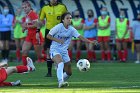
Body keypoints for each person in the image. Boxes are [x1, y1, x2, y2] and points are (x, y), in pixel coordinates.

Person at [47, 12, 97, 88]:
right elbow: (48, 36)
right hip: (55, 49)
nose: (69, 19)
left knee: (69, 72)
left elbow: (80, 37)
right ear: (63, 20)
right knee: (60, 63)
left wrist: (91, 41)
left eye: (70, 18)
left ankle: (61, 80)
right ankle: (61, 82)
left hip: (64, 51)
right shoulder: (58, 27)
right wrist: (58, 40)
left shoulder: (72, 29)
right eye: (67, 18)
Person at [39, 0, 67, 77]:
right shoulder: (45, 8)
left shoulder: (62, 7)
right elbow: (40, 20)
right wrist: (37, 31)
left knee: (60, 50)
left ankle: (62, 70)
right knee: (48, 51)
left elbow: (67, 18)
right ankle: (49, 72)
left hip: (59, 31)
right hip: (49, 31)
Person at [21, 0, 46, 66]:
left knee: (39, 55)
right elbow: (28, 24)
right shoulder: (27, 15)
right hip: (29, 35)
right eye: (23, 8)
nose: (24, 9)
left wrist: (26, 26)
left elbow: (37, 25)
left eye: (25, 7)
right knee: (24, 51)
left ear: (29, 7)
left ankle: (54, 60)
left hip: (36, 35)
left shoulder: (33, 14)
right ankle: (25, 68)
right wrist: (24, 28)